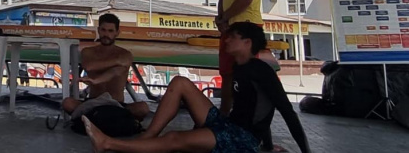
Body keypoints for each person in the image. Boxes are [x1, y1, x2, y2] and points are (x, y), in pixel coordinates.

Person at [81, 22, 309, 153]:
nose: (226, 41)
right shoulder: (238, 68)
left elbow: (284, 111)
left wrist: (299, 150)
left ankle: (108, 143)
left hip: (242, 140)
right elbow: (255, 109)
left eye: (232, 38)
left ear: (247, 43)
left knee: (175, 139)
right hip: (228, 125)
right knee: (180, 83)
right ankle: (148, 137)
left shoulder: (262, 71)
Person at [215, 0, 266, 116]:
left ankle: (248, 117)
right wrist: (221, 18)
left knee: (245, 76)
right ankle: (225, 116)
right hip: (230, 26)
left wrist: (225, 18)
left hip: (246, 27)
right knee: (227, 73)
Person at [62, 14, 150, 121]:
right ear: (98, 30)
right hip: (93, 102)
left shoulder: (125, 54)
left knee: (142, 108)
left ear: (117, 32)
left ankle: (102, 119)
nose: (106, 34)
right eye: (103, 30)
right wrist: (117, 61)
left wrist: (98, 78)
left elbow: (116, 71)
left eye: (110, 31)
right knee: (67, 103)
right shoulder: (88, 52)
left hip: (117, 104)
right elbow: (89, 66)